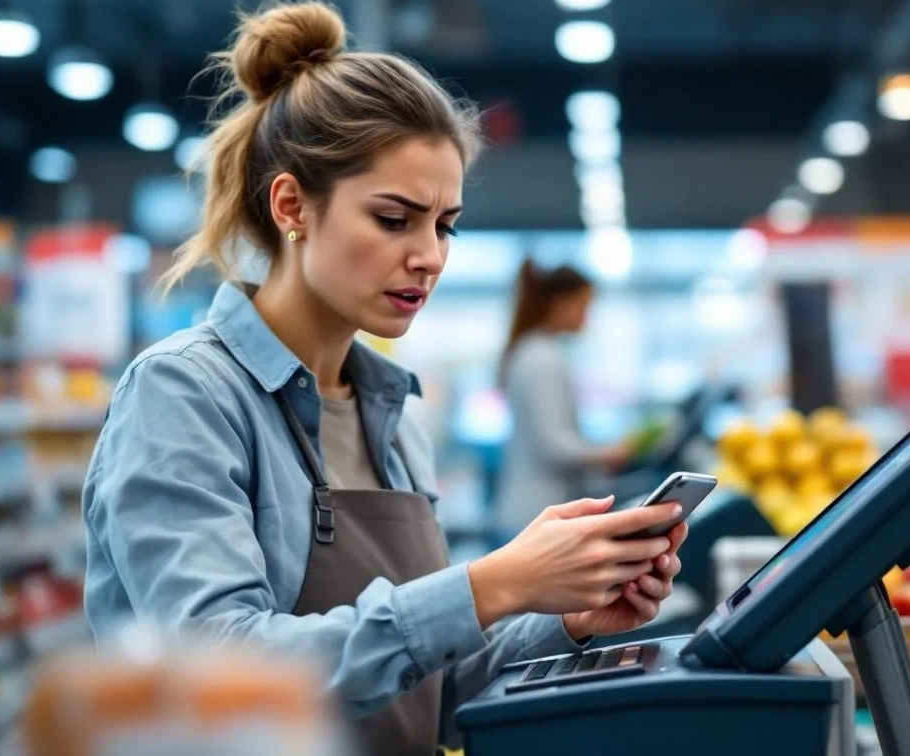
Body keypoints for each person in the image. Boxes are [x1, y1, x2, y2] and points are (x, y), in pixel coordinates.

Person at [80, 4, 688, 756]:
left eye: (445, 225)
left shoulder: (392, 416)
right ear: (293, 205)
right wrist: (491, 585)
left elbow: (429, 692)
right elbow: (223, 674)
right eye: (395, 219)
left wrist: (564, 620)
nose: (430, 255)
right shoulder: (183, 395)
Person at [493, 260, 637, 534]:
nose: (587, 317)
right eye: (583, 306)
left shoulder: (535, 350)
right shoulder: (542, 357)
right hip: (536, 514)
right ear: (560, 303)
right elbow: (555, 445)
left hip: (534, 510)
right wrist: (610, 453)